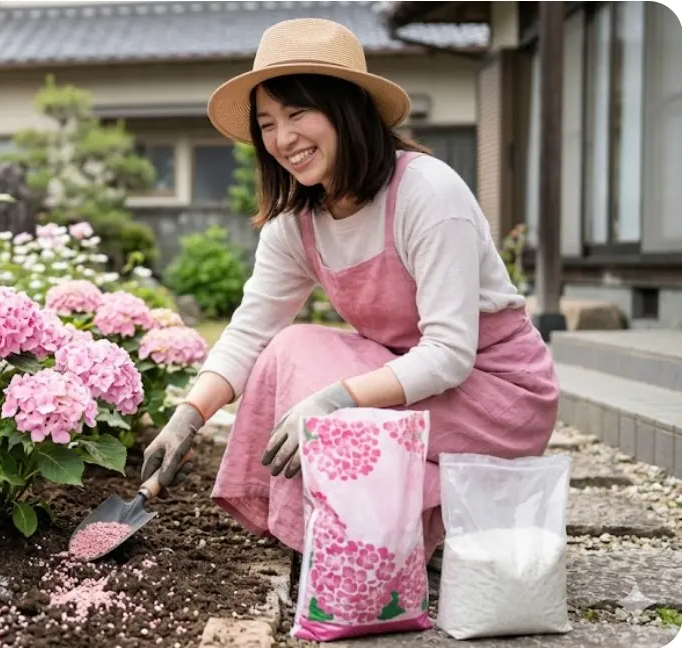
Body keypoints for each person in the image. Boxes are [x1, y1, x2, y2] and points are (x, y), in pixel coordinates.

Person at [140, 18, 559, 566]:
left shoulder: (426, 193)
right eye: (266, 123)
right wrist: (188, 416)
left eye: (297, 113)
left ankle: (393, 533)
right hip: (413, 384)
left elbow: (451, 355)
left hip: (495, 395)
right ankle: (367, 530)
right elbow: (249, 331)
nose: (283, 138)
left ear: (347, 108)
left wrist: (336, 399)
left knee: (327, 394)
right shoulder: (297, 223)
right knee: (289, 351)